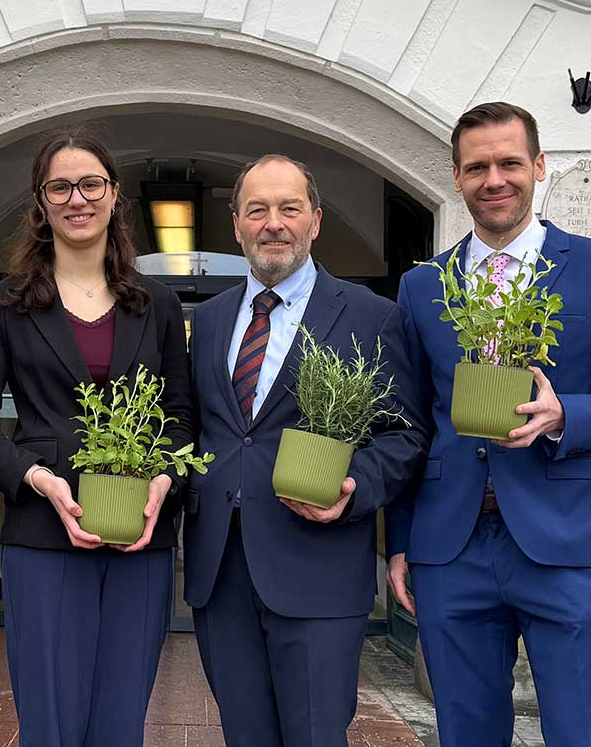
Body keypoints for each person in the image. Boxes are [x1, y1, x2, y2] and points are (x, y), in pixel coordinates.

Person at [387, 102, 591, 747]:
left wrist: (566, 414)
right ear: (456, 177)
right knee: (467, 733)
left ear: (538, 167)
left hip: (564, 541)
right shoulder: (423, 286)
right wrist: (399, 540)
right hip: (450, 546)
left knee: (585, 734)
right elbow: (408, 422)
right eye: (477, 167)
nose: (494, 180)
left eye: (509, 163)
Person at [0, 126, 196, 747]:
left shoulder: (158, 304)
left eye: (90, 184)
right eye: (59, 187)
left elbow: (181, 418)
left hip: (141, 536)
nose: (76, 199)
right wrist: (35, 477)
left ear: (113, 195)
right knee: (50, 722)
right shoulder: (5, 304)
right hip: (42, 532)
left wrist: (165, 481)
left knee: (121, 721)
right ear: (41, 201)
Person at [183, 155, 428, 747]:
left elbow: (405, 434)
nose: (274, 223)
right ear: (237, 226)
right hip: (220, 572)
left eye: (289, 208)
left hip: (319, 568)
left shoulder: (372, 316)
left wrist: (354, 486)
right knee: (245, 735)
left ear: (315, 221)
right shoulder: (209, 320)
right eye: (257, 210)